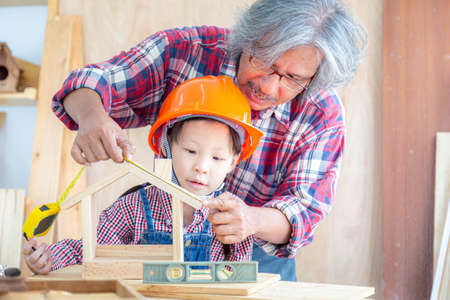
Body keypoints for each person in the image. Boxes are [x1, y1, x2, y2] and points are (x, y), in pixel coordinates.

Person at [51, 0, 367, 281]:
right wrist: (92, 116)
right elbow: (93, 82)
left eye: (293, 78)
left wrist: (251, 219)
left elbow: (303, 211)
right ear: (248, 38)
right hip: (160, 253)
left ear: (313, 77)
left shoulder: (321, 112)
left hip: (258, 258)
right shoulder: (187, 51)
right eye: (264, 63)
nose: (269, 88)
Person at [23, 76, 263, 274]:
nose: (201, 167)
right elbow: (90, 251)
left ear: (233, 162)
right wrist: (49, 257)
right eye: (191, 151)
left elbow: (238, 278)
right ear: (166, 147)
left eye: (217, 158)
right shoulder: (132, 208)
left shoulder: (233, 220)